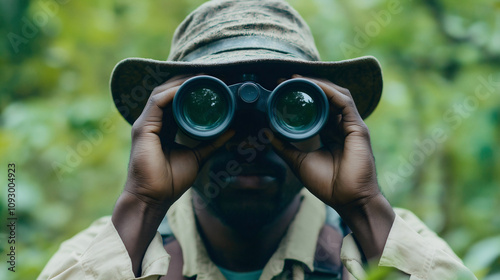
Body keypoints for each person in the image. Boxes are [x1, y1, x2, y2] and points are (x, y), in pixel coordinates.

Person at [39, 0, 477, 279]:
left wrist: (364, 208)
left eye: (291, 109)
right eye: (209, 109)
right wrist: (141, 205)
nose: (250, 137)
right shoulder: (107, 250)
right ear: (169, 127)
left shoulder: (388, 242)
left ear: (327, 126)